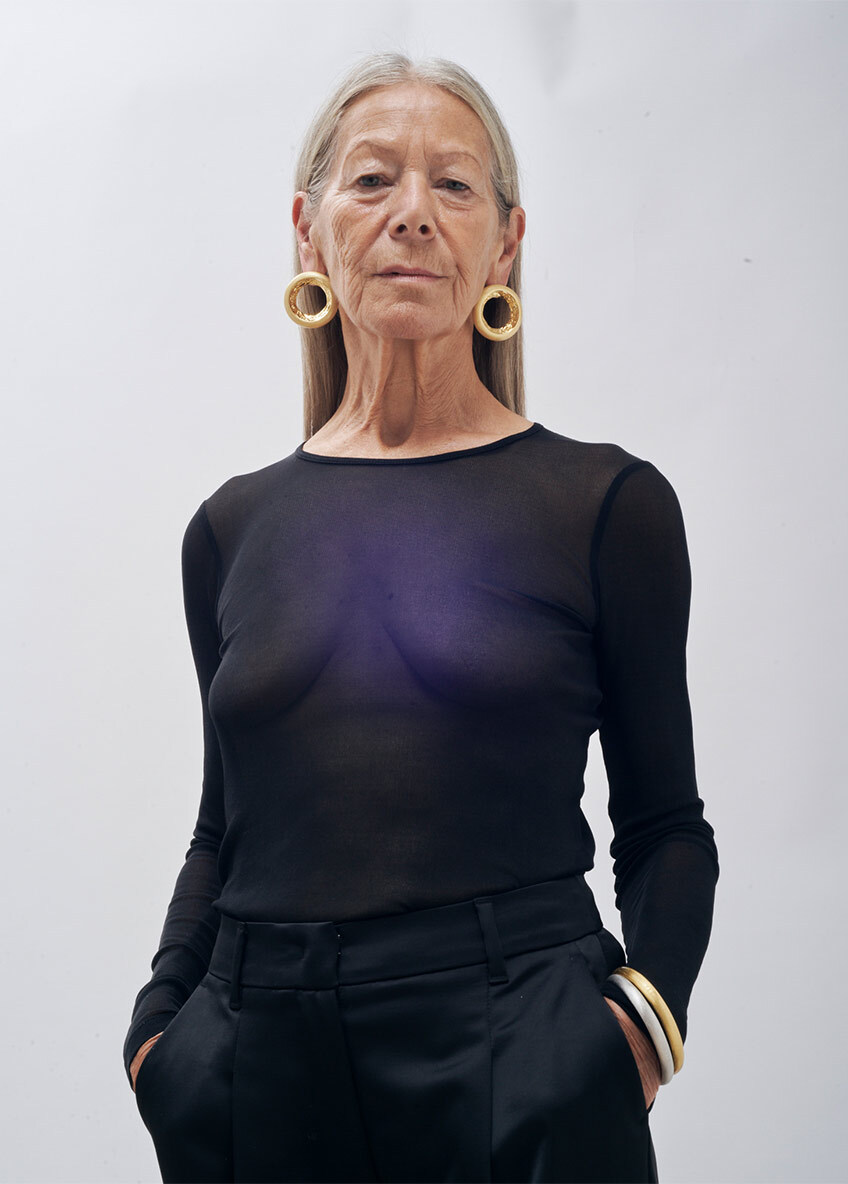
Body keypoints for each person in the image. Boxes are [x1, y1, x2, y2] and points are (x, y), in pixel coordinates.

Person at [122, 52, 719, 1184]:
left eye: (452, 184)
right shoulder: (228, 529)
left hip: (519, 1049)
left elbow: (664, 825)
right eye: (371, 180)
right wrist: (160, 1037)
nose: (411, 213)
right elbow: (224, 828)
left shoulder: (604, 505)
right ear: (308, 231)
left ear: (505, 244)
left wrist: (635, 1031)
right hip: (257, 1064)